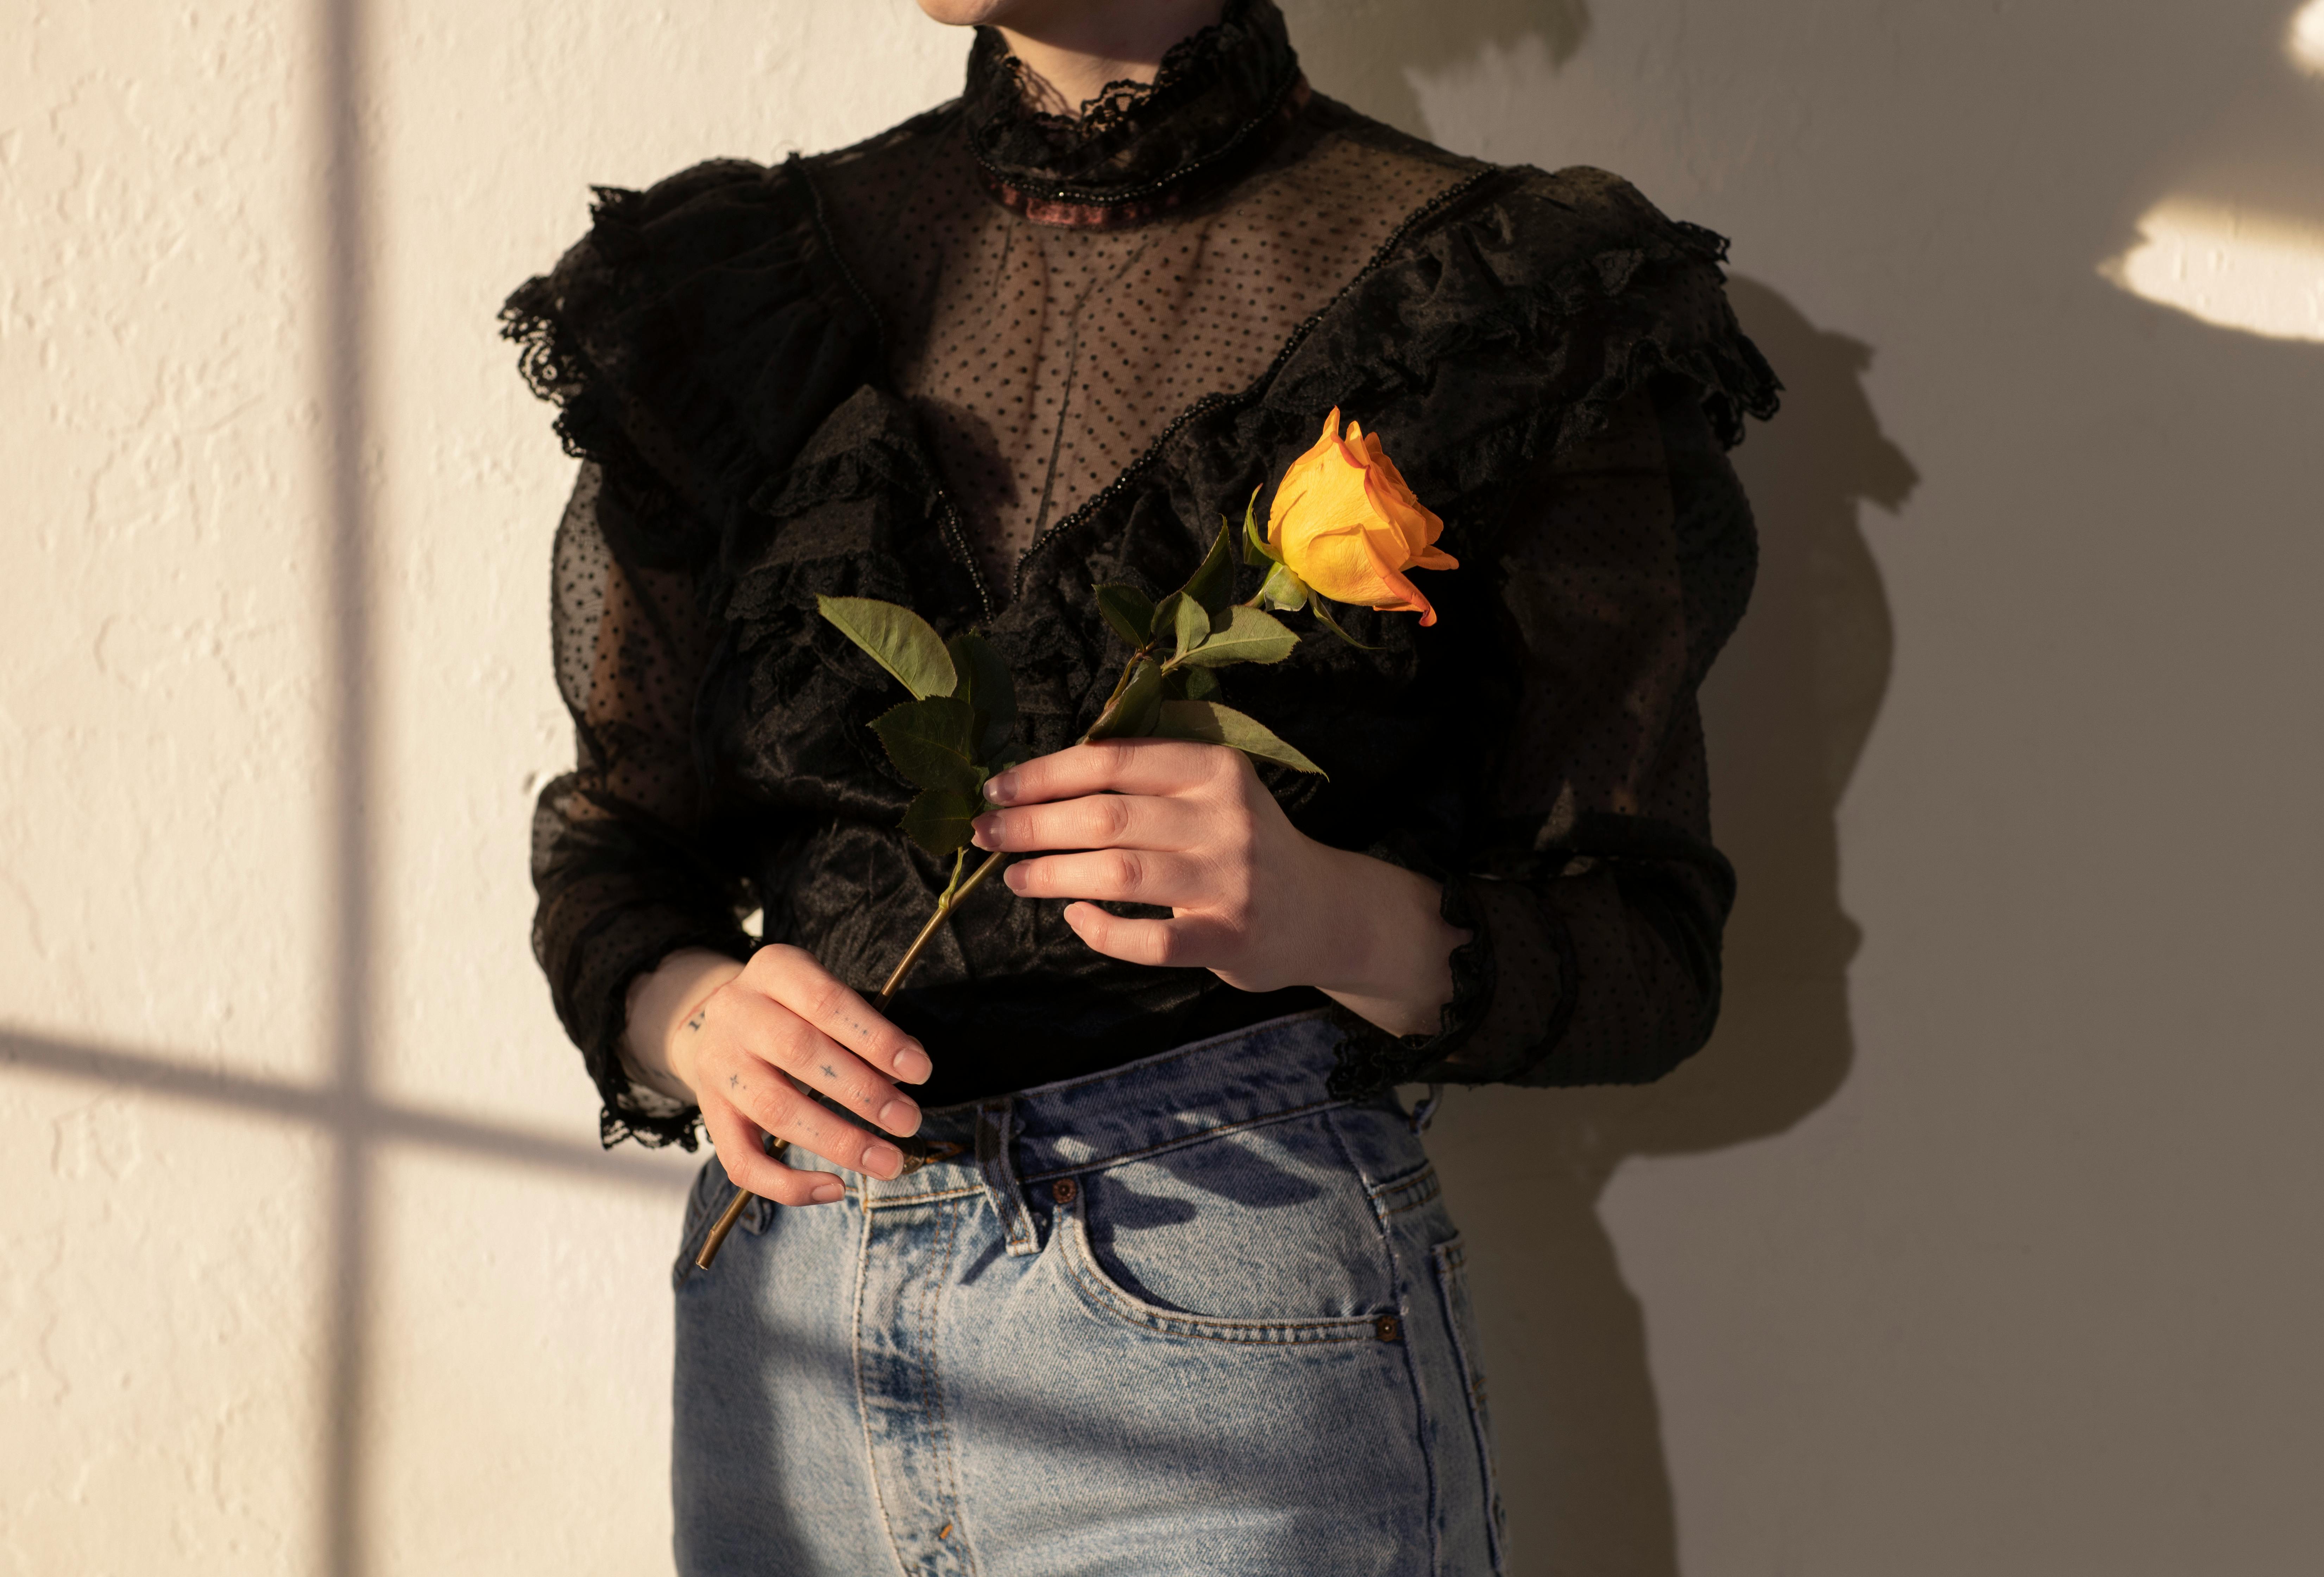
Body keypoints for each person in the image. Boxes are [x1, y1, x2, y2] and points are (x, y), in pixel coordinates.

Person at [502, 1, 1777, 1570]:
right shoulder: (731, 292)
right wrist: (699, 1016)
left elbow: (1647, 947)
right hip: (790, 1319)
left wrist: (1323, 912)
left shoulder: (1502, 304)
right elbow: (615, 855)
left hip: (1225, 1325)